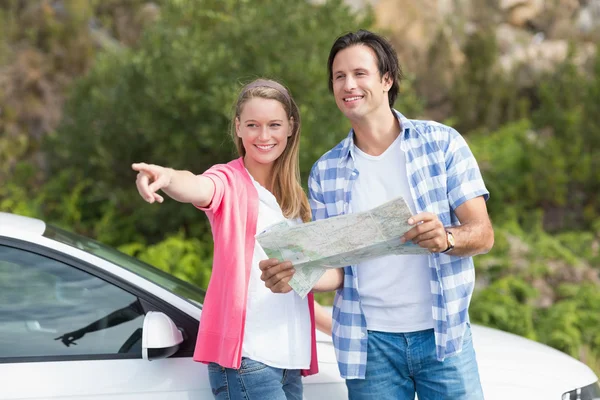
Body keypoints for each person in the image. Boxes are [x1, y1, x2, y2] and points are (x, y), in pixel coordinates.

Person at [259, 30, 494, 399]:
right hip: (370, 349)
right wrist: (296, 275)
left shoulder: (442, 143)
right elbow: (336, 270)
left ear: (387, 80)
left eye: (359, 73)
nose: (348, 84)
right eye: (339, 77)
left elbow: (482, 233)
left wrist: (446, 238)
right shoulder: (326, 171)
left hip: (443, 336)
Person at [132, 78, 322, 400]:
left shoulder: (295, 199)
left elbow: (305, 277)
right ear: (238, 127)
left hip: (290, 360)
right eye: (252, 125)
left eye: (274, 125)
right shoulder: (229, 181)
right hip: (249, 360)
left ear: (290, 127)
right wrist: (166, 177)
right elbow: (197, 186)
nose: (264, 136)